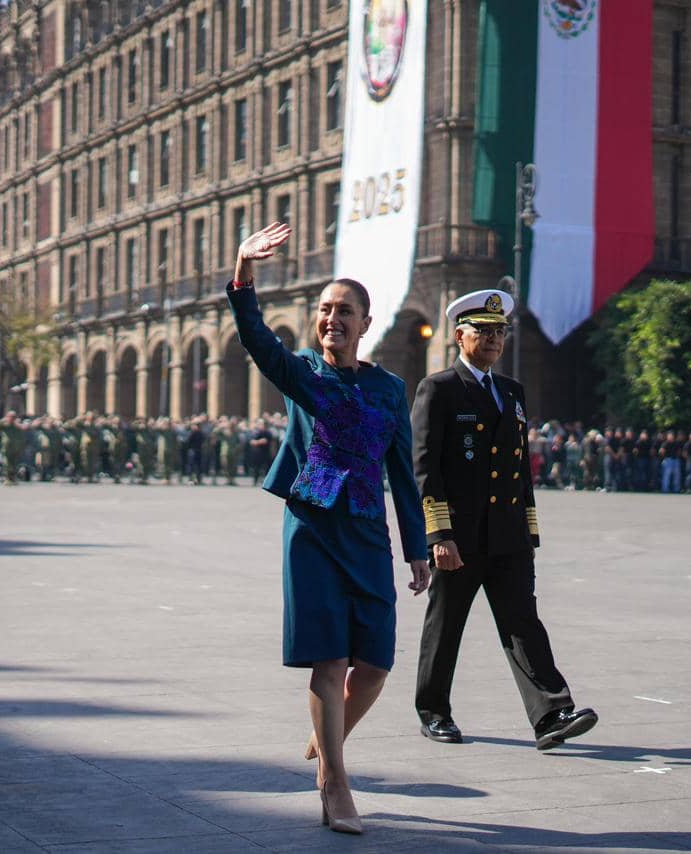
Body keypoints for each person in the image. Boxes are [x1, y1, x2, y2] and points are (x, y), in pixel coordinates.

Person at [227, 221, 430, 835]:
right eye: (324, 309)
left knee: (374, 666)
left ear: (367, 323)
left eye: (344, 311)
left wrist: (418, 548)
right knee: (330, 656)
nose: (331, 319)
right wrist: (244, 270)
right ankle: (334, 782)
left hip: (368, 533)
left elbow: (403, 474)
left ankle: (326, 732)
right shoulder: (304, 374)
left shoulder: (391, 390)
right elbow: (257, 339)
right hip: (312, 528)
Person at [412, 288, 597, 751]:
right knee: (446, 624)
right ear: (459, 335)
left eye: (500, 331)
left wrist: (528, 530)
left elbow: (519, 471)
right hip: (460, 536)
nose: (494, 339)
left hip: (508, 536)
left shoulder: (512, 392)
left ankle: (551, 714)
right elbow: (424, 467)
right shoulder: (439, 388)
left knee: (523, 623)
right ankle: (434, 711)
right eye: (484, 331)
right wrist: (439, 533)